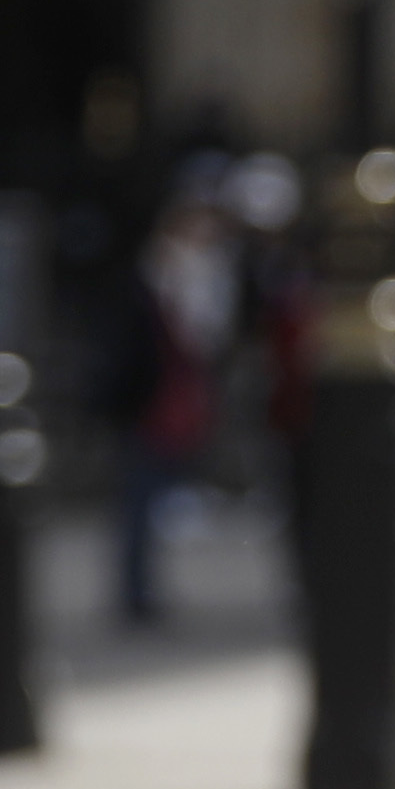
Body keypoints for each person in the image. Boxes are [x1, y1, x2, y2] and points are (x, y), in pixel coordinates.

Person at [109, 171, 243, 626]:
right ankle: (135, 591)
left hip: (179, 397)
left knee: (160, 498)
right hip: (149, 398)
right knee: (140, 499)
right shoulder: (154, 273)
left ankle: (144, 587)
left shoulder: (210, 273)